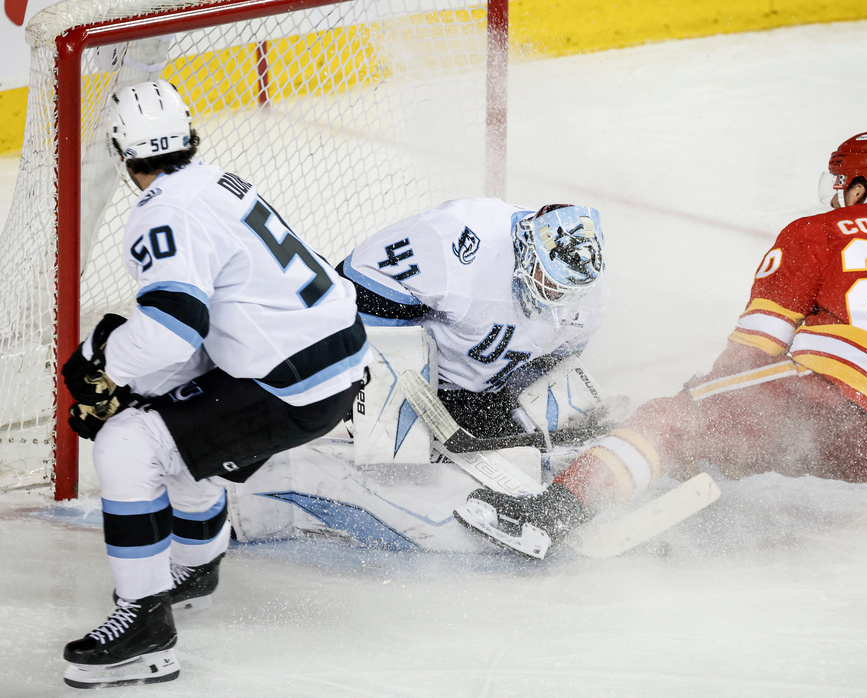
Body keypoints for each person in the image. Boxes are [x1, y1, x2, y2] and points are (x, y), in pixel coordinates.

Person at [456, 131, 867, 559]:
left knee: (671, 416)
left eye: (843, 181)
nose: (837, 192)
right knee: (728, 428)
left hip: (827, 398)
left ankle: (547, 516)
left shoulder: (819, 231)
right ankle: (659, 464)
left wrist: (704, 399)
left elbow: (757, 346)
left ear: (863, 188)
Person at [59, 80, 372, 688]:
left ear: (123, 152)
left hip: (290, 384)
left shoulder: (161, 212)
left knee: (127, 442)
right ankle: (195, 566)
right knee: (165, 420)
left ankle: (145, 630)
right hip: (335, 363)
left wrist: (101, 371)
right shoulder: (218, 180)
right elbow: (201, 334)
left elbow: (175, 332)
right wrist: (135, 383)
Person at [337, 198, 607, 441]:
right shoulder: (459, 241)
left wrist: (520, 407)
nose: (557, 296)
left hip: (479, 393)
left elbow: (550, 363)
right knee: (388, 443)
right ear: (528, 250)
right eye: (549, 280)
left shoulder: (587, 288)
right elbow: (359, 280)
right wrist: (367, 377)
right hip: (420, 375)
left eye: (568, 290)